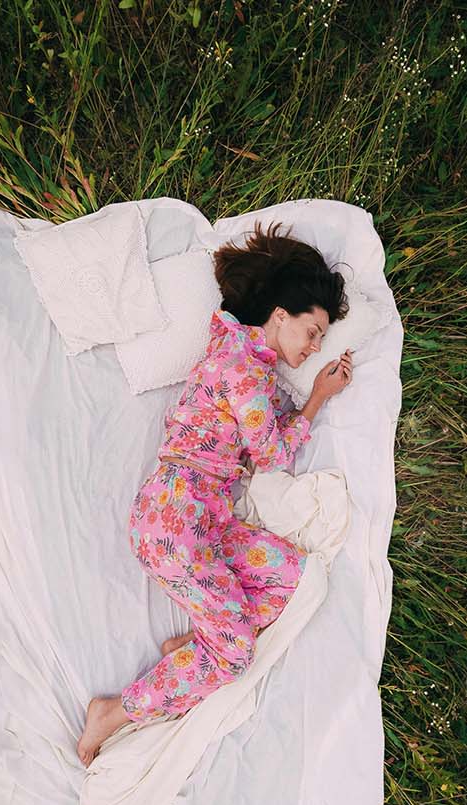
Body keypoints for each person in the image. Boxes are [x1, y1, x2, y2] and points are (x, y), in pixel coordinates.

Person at [77, 220, 355, 767]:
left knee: (295, 578)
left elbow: (265, 443)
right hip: (175, 522)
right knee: (234, 655)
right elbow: (273, 454)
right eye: (313, 330)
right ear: (280, 316)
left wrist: (301, 401)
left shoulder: (254, 369)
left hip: (208, 521)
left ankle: (197, 646)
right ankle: (111, 712)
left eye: (322, 336)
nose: (316, 345)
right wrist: (319, 396)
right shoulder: (240, 366)